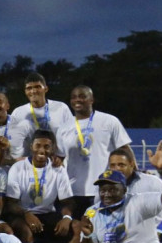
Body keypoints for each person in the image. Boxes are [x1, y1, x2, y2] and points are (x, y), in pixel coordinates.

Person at [56, 86, 131, 218]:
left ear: (91, 99)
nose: (77, 100)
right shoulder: (63, 128)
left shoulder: (109, 121)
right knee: (79, 227)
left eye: (82, 96)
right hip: (74, 191)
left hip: (105, 189)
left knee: (105, 227)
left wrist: (135, 173)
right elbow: (58, 160)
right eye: (74, 97)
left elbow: (125, 150)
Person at [3, 130, 74, 243]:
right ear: (31, 147)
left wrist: (67, 217)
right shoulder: (18, 168)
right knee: (26, 232)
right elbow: (11, 203)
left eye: (46, 146)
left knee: (76, 227)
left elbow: (67, 201)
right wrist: (26, 214)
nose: (42, 150)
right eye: (38, 145)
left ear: (53, 149)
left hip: (47, 214)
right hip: (21, 214)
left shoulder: (58, 169)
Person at [9, 73, 73, 159]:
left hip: (56, 161)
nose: (33, 91)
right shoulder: (18, 112)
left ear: (46, 89)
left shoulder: (61, 108)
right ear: (25, 91)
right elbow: (12, 142)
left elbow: (71, 136)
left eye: (37, 87)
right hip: (30, 162)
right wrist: (20, 160)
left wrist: (61, 157)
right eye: (29, 88)